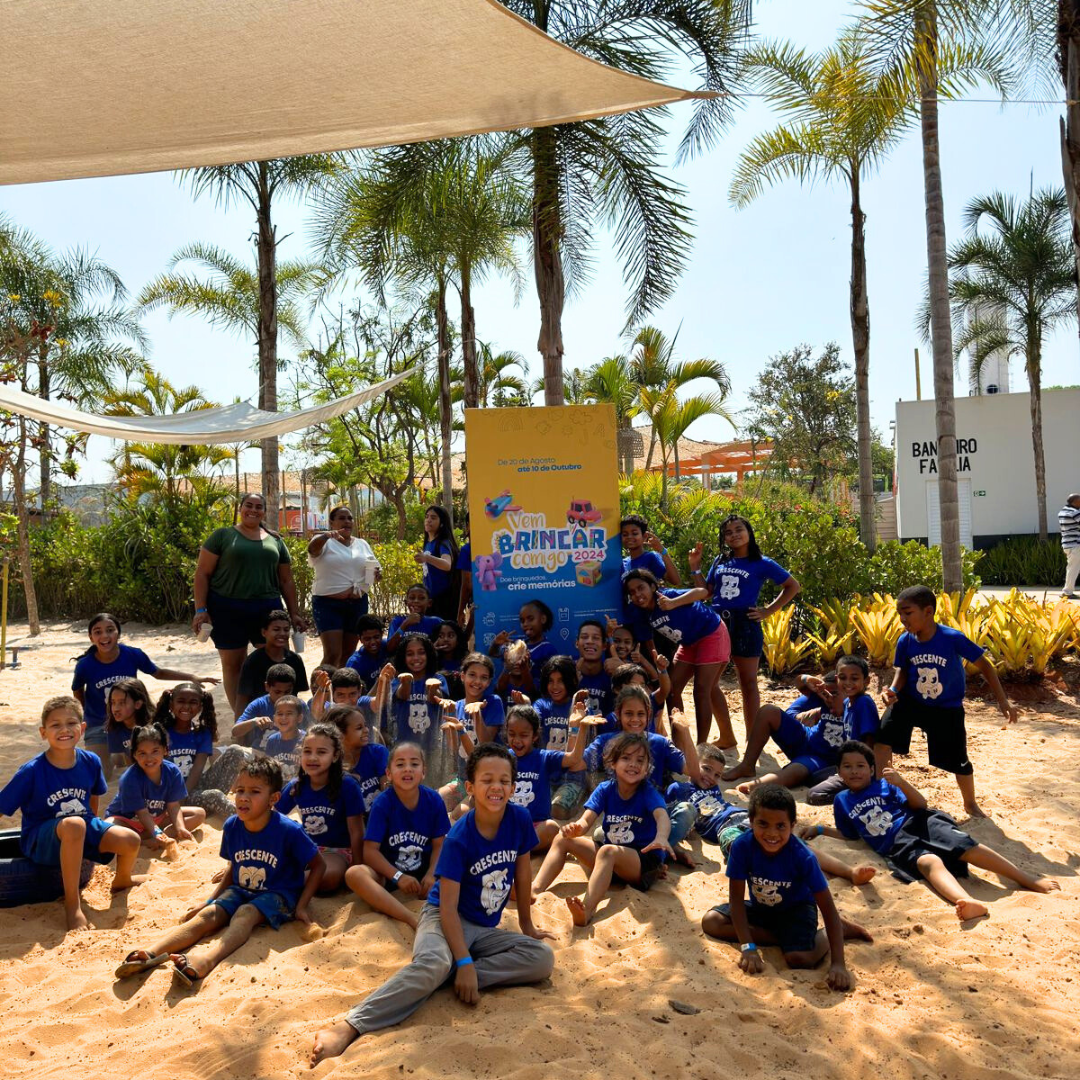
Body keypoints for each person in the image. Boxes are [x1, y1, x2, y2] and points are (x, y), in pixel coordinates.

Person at [309, 744, 555, 1066]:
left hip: (481, 929)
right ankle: (350, 1024)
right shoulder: (459, 838)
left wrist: (527, 927)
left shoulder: (520, 819)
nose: (496, 787)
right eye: (487, 780)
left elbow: (523, 876)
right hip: (442, 918)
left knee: (541, 958)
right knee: (433, 964)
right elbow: (448, 907)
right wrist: (464, 962)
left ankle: (445, 976)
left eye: (504, 780)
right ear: (471, 787)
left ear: (513, 785)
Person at [115, 755, 324, 988]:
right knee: (207, 916)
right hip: (242, 888)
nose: (244, 797)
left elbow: (319, 865)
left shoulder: (288, 830)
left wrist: (303, 905)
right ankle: (152, 952)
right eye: (240, 790)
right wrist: (210, 900)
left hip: (279, 894)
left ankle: (207, 959)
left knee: (245, 912)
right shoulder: (233, 826)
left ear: (273, 798)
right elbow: (233, 867)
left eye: (255, 792)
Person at [819, 741, 1059, 921]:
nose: (854, 771)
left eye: (860, 766)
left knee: (964, 846)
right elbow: (850, 835)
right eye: (847, 767)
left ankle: (1027, 879)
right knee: (928, 862)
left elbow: (920, 805)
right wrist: (820, 829)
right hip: (895, 845)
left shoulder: (885, 785)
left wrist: (901, 782)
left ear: (872, 769)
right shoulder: (841, 800)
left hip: (919, 823)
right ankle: (966, 900)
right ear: (839, 772)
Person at [701, 784, 870, 990]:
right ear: (751, 822)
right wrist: (748, 947)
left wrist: (838, 964)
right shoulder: (742, 846)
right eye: (763, 824)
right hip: (762, 907)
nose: (772, 833)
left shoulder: (803, 856)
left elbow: (828, 909)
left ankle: (837, 931)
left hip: (796, 910)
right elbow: (736, 899)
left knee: (800, 958)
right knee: (711, 922)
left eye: (781, 826)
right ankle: (781, 937)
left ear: (792, 825)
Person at [0, 697, 143, 932]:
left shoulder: (91, 761)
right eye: (55, 725)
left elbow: (94, 798)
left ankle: (122, 880)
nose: (64, 729)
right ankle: (72, 905)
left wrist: (95, 831)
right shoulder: (31, 771)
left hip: (79, 827)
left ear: (82, 728)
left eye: (71, 723)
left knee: (130, 840)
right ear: (43, 732)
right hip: (40, 839)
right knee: (75, 824)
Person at [879, 584, 1016, 818]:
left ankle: (970, 803)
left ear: (928, 611)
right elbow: (902, 671)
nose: (903, 619)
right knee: (882, 736)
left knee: (958, 760)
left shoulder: (952, 638)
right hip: (911, 700)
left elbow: (986, 666)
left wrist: (1003, 701)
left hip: (946, 708)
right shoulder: (905, 641)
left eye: (908, 612)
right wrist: (892, 690)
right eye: (900, 613)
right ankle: (882, 789)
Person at [531, 732, 675, 926]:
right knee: (562, 838)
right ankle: (535, 889)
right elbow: (585, 821)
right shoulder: (605, 789)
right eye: (626, 758)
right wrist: (575, 829)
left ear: (647, 768)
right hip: (609, 860)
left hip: (642, 861)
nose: (633, 764)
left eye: (640, 760)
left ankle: (587, 910)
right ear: (612, 763)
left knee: (608, 851)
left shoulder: (647, 791)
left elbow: (661, 815)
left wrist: (662, 837)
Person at [689, 514, 801, 749]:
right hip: (716, 624)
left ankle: (753, 738)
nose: (734, 535)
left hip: (745, 623)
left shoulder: (762, 562)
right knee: (709, 683)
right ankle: (727, 736)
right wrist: (695, 568)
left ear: (749, 532)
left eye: (739, 529)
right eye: (728, 533)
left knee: (748, 683)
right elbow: (706, 593)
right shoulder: (721, 560)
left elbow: (792, 586)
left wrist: (768, 611)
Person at [192, 493, 305, 713]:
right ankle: (242, 719)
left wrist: (294, 613)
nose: (253, 510)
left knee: (277, 663)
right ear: (240, 507)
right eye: (248, 505)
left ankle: (283, 715)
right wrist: (201, 609)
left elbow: (286, 580)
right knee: (234, 666)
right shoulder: (222, 536)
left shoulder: (276, 540)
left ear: (264, 511)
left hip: (267, 608)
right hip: (226, 608)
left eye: (258, 507)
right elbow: (202, 574)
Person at [71, 611, 213, 779]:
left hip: (133, 721)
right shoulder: (85, 665)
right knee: (101, 776)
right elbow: (77, 691)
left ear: (118, 633)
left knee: (148, 762)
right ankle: (118, 754)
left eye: (110, 630)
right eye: (98, 632)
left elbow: (158, 672)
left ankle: (122, 754)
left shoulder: (132, 654)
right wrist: (86, 717)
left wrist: (191, 677)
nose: (104, 635)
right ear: (91, 638)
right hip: (99, 724)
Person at [449, 702, 596, 852]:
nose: (517, 740)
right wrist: (461, 731)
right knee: (470, 815)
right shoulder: (504, 757)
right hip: (507, 825)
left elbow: (574, 758)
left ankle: (512, 850)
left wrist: (580, 727)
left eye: (524, 735)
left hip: (536, 826)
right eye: (512, 734)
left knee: (552, 828)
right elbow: (476, 757)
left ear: (535, 736)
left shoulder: (544, 758)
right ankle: (513, 849)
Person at [727, 656, 878, 795]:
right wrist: (809, 679)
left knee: (797, 770)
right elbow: (800, 683)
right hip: (806, 739)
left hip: (822, 757)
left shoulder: (858, 704)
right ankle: (747, 765)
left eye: (836, 693)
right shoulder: (826, 696)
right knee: (768, 711)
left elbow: (869, 739)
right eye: (843, 679)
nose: (847, 684)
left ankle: (756, 786)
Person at [346, 741, 451, 930]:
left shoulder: (434, 800)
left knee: (459, 870)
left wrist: (431, 874)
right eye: (400, 764)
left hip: (425, 875)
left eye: (414, 764)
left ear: (424, 771)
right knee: (354, 874)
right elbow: (370, 852)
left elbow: (440, 844)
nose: (407, 769)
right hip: (389, 875)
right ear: (388, 773)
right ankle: (410, 918)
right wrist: (398, 876)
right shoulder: (382, 803)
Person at [623, 568, 732, 745]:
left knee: (701, 690)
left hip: (711, 634)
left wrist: (674, 603)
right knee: (671, 689)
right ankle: (680, 741)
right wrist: (654, 656)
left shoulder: (668, 595)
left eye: (641, 588)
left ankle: (701, 746)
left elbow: (703, 592)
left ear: (652, 586)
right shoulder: (640, 612)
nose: (637, 594)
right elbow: (647, 638)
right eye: (632, 592)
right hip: (689, 643)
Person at [277, 723, 366, 892]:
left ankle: (278, 884)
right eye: (307, 751)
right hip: (306, 849)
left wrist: (358, 867)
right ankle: (279, 881)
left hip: (337, 851)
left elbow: (357, 831)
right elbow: (271, 819)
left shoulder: (347, 785)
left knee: (329, 877)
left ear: (335, 756)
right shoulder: (297, 785)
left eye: (321, 752)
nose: (312, 758)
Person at [104, 722, 206, 847]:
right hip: (127, 821)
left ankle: (160, 837)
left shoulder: (172, 772)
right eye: (142, 753)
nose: (149, 758)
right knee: (109, 829)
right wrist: (156, 832)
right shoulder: (129, 779)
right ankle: (146, 841)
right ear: (135, 755)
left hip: (156, 818)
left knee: (199, 814)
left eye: (155, 751)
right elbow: (142, 813)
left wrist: (180, 828)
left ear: (165, 750)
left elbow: (173, 806)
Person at [308, 505, 381, 667]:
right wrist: (326, 537)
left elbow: (374, 567)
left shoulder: (362, 544)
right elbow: (312, 550)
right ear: (331, 522)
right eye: (341, 518)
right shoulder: (323, 541)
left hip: (357, 604)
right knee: (333, 654)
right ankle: (320, 689)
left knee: (347, 654)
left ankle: (340, 690)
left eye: (350, 518)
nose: (347, 521)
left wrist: (376, 574)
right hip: (328, 604)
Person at [155, 682, 236, 819]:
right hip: (169, 794)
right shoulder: (160, 731)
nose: (186, 706)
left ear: (200, 707)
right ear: (171, 704)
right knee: (215, 796)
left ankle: (212, 805)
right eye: (181, 701)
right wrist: (176, 799)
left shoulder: (202, 732)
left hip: (193, 788)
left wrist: (184, 796)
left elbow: (198, 769)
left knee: (235, 751)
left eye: (193, 702)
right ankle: (236, 819)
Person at [438, 653, 505, 815]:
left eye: (483, 677)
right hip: (463, 780)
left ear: (489, 682)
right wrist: (448, 727)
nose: (477, 681)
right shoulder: (456, 706)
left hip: (488, 780)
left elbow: (486, 743)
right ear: (462, 676)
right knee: (435, 801)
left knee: (459, 814)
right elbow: (453, 750)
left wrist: (477, 714)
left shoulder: (493, 702)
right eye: (472, 675)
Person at [385, 633, 452, 785]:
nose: (416, 658)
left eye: (421, 653)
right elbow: (401, 695)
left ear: (429, 654)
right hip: (405, 747)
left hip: (432, 746)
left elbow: (436, 698)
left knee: (431, 784)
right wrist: (407, 681)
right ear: (403, 658)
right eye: (410, 654)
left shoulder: (439, 679)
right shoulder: (397, 681)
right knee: (408, 784)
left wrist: (433, 688)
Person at [235, 609, 309, 718]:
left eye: (286, 629)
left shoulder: (295, 660)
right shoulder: (253, 662)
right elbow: (242, 699)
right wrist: (239, 730)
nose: (282, 633)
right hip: (261, 721)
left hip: (287, 719)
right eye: (276, 629)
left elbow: (297, 696)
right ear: (264, 632)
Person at [329, 702, 391, 813]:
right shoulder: (330, 763)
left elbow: (388, 793)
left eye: (365, 725)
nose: (366, 730)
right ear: (339, 734)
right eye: (359, 728)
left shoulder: (377, 752)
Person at [415, 504, 459, 621]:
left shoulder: (443, 543)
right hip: (430, 599)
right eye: (427, 517)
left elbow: (447, 564)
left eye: (433, 518)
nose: (428, 520)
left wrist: (426, 558)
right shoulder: (428, 543)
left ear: (442, 523)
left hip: (444, 600)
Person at [104, 678, 153, 775]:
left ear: (138, 704)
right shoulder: (114, 728)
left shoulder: (154, 725)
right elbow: (130, 762)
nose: (116, 709)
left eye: (122, 703)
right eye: (113, 703)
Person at [620, 514, 680, 584]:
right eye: (625, 534)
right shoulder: (623, 563)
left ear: (644, 536)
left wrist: (662, 550)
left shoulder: (651, 557)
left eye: (634, 533)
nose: (629, 537)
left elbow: (675, 581)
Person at [386, 585, 444, 655]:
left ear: (429, 603)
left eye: (421, 598)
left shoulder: (435, 622)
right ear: (406, 602)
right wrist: (405, 624)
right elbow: (390, 648)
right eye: (412, 598)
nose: (416, 601)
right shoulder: (397, 621)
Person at [264, 695, 307, 781]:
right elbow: (269, 772)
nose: (284, 718)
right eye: (280, 714)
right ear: (274, 718)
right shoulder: (272, 741)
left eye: (289, 714)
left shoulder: (307, 740)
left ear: (299, 718)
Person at [345, 615, 388, 687]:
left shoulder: (388, 646)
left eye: (376, 637)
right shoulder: (355, 663)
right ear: (360, 639)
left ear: (382, 634)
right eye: (367, 639)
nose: (373, 642)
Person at [1059, 493, 1080, 598]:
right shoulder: (1074, 513)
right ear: (1074, 502)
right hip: (1075, 545)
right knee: (1073, 569)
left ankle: (1067, 591)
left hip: (1067, 544)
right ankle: (1067, 592)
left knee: (1072, 568)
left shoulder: (1062, 512)